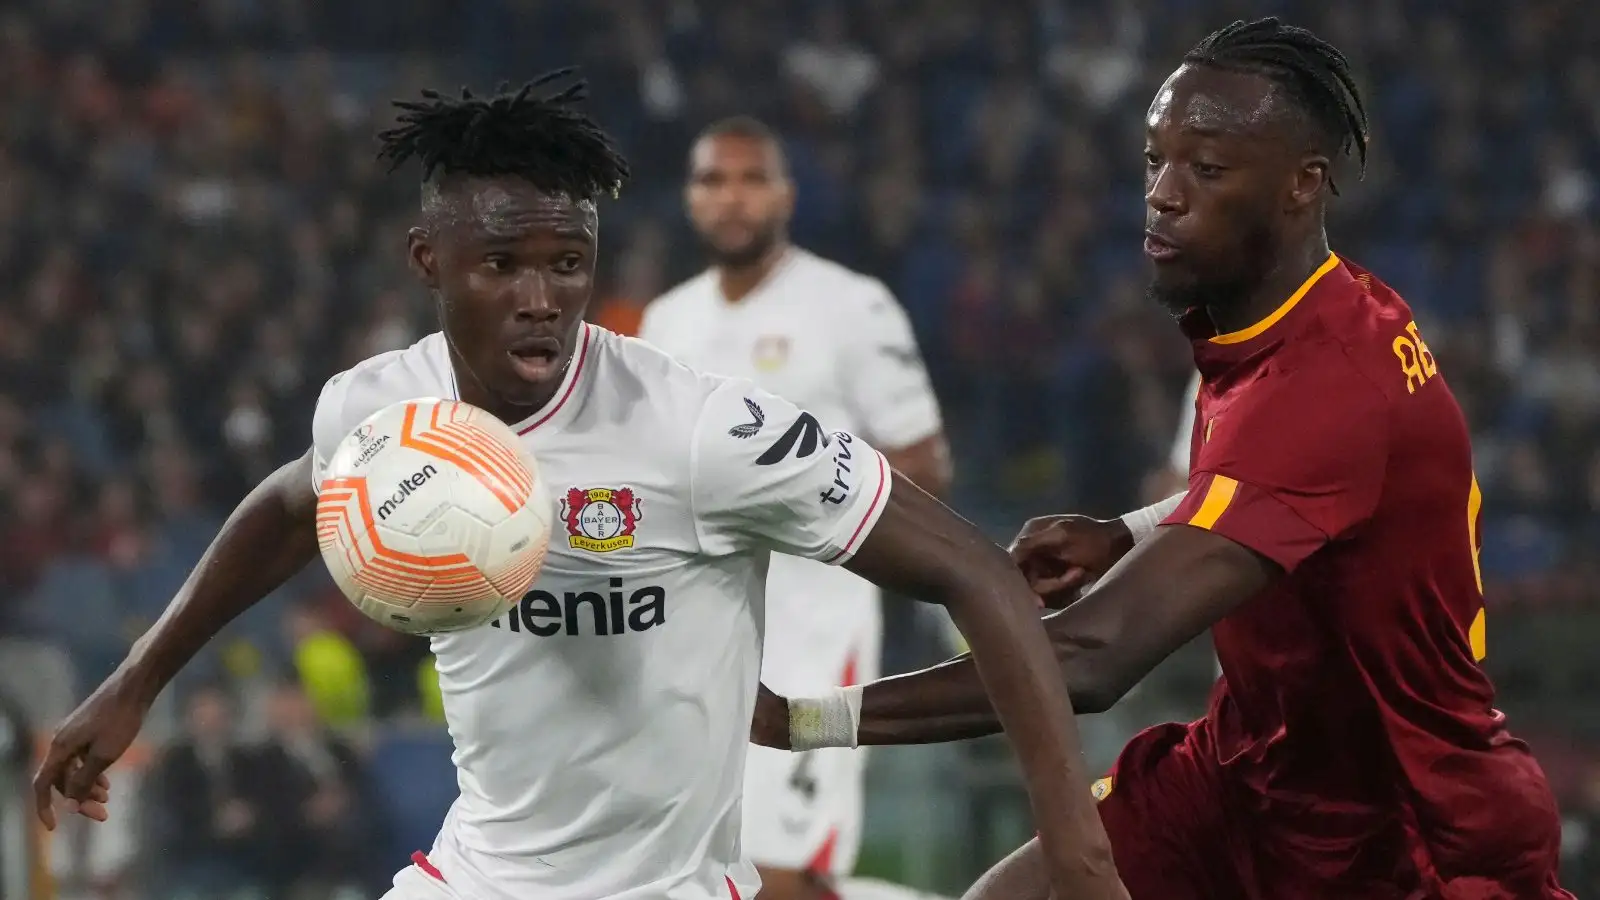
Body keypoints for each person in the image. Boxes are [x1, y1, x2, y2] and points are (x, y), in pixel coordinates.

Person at [32, 72, 1124, 900]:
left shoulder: (701, 430)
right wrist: (138, 679)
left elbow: (975, 570)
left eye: (568, 262)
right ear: (428, 261)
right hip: (473, 874)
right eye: (502, 265)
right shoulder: (380, 414)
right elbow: (291, 505)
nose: (542, 297)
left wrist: (1070, 839)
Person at [753, 19, 1573, 900]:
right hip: (1251, 770)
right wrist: (1129, 531)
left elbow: (1088, 660)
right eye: (1155, 161)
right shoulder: (1290, 318)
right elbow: (1284, 499)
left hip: (1402, 831)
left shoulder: (1330, 383)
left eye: (1207, 169)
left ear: (1304, 185)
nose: (1163, 195)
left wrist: (801, 720)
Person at [639, 116, 951, 900]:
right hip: (694, 633)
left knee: (785, 874)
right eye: (713, 180)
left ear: (785, 195)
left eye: (750, 179)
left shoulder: (850, 306)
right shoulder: (665, 323)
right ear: (689, 198)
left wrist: (786, 506)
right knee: (703, 870)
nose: (731, 198)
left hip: (815, 631)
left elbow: (924, 464)